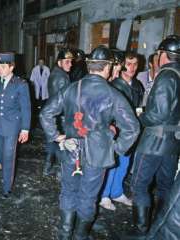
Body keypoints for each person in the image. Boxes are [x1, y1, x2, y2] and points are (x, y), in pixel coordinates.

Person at [40, 46, 140, 239]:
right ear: (108, 68)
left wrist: (57, 136)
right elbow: (133, 128)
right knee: (88, 197)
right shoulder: (113, 94)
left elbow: (46, 113)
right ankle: (79, 236)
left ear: (88, 66)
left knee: (68, 192)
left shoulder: (71, 87)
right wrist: (116, 148)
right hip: (98, 155)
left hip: (71, 150)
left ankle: (64, 233)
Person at [124, 35, 180, 240]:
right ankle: (159, 229)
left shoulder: (166, 75)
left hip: (154, 142)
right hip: (173, 143)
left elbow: (157, 114)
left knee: (139, 185)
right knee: (165, 186)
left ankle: (140, 231)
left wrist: (140, 116)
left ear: (163, 54)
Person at [0, 52, 31, 198]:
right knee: (1, 152)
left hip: (12, 126)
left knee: (9, 156)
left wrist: (25, 129)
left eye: (3, 67)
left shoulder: (21, 84)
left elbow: (26, 108)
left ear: (11, 67)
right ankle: (7, 172)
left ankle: (6, 187)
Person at [99, 51, 144, 211]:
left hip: (130, 132)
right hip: (117, 130)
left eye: (135, 64)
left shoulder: (138, 85)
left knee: (124, 163)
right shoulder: (114, 85)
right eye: (129, 64)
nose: (132, 68)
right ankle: (104, 195)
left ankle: (116, 192)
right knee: (112, 163)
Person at [43, 48, 73, 177]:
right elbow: (61, 102)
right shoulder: (60, 78)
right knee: (62, 145)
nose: (70, 64)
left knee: (52, 142)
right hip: (60, 116)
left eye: (71, 62)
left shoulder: (57, 74)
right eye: (67, 62)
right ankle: (61, 172)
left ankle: (47, 167)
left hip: (55, 115)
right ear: (59, 62)